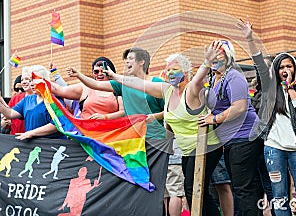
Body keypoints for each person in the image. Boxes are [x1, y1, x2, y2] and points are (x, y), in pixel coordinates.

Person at [67, 44, 223, 216]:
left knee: (192, 190)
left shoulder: (190, 89)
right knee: (191, 191)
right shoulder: (166, 90)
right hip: (185, 150)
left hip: (204, 147)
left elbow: (197, 80)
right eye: (168, 70)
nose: (170, 73)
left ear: (185, 72)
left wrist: (207, 62)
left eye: (175, 69)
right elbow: (137, 84)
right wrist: (110, 76)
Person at [239, 19, 296, 216]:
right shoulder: (269, 90)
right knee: (279, 196)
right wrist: (250, 38)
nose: (285, 70)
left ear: (294, 69)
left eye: (288, 66)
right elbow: (258, 64)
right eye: (281, 67)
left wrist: (291, 90)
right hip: (274, 148)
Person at [200, 39, 264, 216]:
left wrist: (215, 119)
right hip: (230, 141)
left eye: (218, 53)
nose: (214, 56)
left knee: (244, 188)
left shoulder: (234, 75)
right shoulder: (213, 78)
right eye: (211, 53)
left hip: (244, 138)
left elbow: (240, 107)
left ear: (228, 57)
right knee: (242, 187)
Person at [65, 49, 166, 139]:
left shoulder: (158, 83)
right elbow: (96, 84)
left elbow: (171, 111)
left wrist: (155, 116)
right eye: (126, 59)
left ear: (141, 62)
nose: (127, 62)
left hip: (156, 139)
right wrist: (79, 75)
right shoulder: (123, 83)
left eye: (130, 59)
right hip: (133, 140)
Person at [0, 65, 66, 140]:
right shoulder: (27, 100)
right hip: (32, 146)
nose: (31, 84)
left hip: (51, 146)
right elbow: (10, 113)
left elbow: (57, 125)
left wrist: (31, 133)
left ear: (44, 81)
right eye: (30, 80)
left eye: (34, 80)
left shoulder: (54, 100)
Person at [51, 57, 124, 120]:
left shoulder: (118, 88)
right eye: (96, 71)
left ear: (110, 72)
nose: (100, 74)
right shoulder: (84, 88)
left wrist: (105, 117)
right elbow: (61, 90)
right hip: (86, 133)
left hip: (110, 132)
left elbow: (124, 112)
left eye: (103, 71)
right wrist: (42, 80)